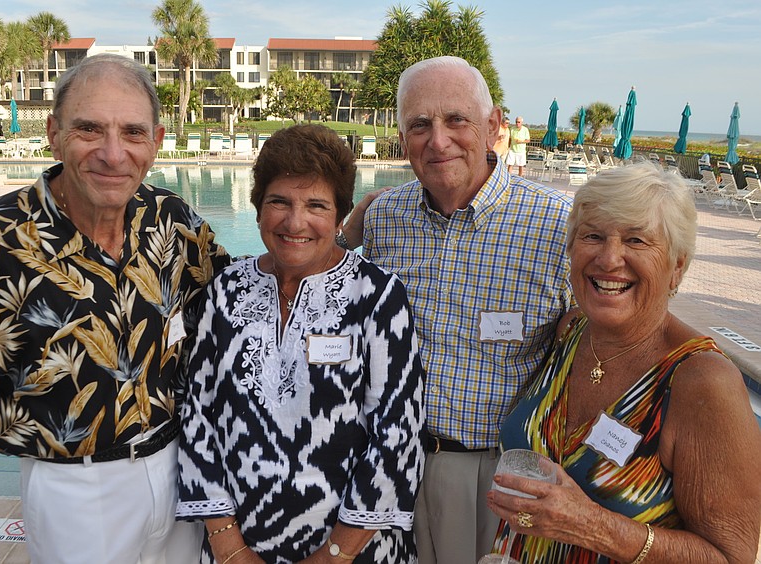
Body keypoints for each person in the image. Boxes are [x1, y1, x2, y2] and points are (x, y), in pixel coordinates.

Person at [0, 53, 230, 563]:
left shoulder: (174, 222)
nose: (113, 153)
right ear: (54, 134)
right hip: (75, 493)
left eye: (132, 132)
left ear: (156, 141)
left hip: (179, 474)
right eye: (89, 129)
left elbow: (246, 298)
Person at [486, 161, 761, 563]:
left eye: (636, 240)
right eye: (593, 236)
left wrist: (593, 526)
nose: (609, 259)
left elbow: (729, 556)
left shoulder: (703, 381)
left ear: (676, 266)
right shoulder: (572, 331)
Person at [176, 124, 425, 563]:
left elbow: (397, 436)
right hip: (238, 546)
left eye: (316, 205)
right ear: (257, 209)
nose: (295, 222)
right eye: (279, 202)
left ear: (340, 216)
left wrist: (334, 555)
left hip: (355, 548)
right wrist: (229, 546)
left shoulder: (377, 296)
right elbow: (197, 414)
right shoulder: (227, 290)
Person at [362, 56, 573, 563]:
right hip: (390, 464)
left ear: (493, 126)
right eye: (420, 125)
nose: (438, 141)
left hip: (499, 475)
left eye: (457, 119)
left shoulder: (558, 226)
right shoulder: (382, 218)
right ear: (402, 137)